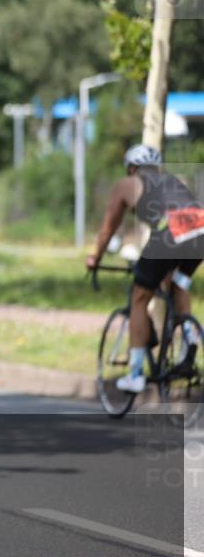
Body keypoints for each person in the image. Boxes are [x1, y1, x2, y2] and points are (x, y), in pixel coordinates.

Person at [86, 144, 204, 392]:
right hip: (199, 230)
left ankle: (136, 374)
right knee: (178, 282)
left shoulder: (127, 184)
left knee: (140, 296)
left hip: (170, 232)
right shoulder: (171, 179)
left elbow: (109, 228)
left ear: (132, 168)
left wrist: (94, 258)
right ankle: (189, 343)